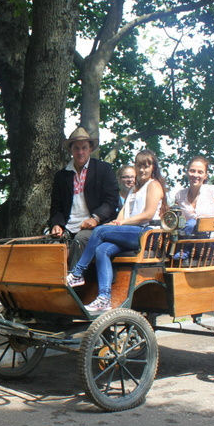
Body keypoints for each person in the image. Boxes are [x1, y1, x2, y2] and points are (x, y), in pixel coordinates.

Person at [66, 149, 168, 312]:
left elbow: (148, 214)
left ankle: (77, 273)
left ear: (153, 168)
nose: (142, 170)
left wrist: (122, 222)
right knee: (102, 249)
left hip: (146, 233)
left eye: (146, 166)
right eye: (139, 166)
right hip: (131, 232)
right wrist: (116, 221)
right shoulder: (134, 189)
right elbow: (124, 210)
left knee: (99, 231)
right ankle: (104, 298)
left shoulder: (154, 185)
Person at [47, 127, 119, 269]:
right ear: (71, 150)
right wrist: (56, 224)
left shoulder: (104, 169)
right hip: (68, 226)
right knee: (50, 246)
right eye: (76, 148)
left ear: (90, 149)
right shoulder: (61, 176)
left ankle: (74, 280)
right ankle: (50, 286)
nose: (80, 152)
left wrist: (95, 218)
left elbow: (111, 201)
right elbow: (56, 207)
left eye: (84, 148)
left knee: (80, 240)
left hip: (96, 226)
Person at [172, 156, 214, 259]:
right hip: (186, 243)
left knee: (194, 223)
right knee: (190, 224)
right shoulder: (180, 195)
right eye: (192, 171)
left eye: (200, 172)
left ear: (205, 176)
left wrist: (209, 221)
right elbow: (176, 219)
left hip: (207, 245)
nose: (195, 175)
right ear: (187, 172)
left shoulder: (212, 191)